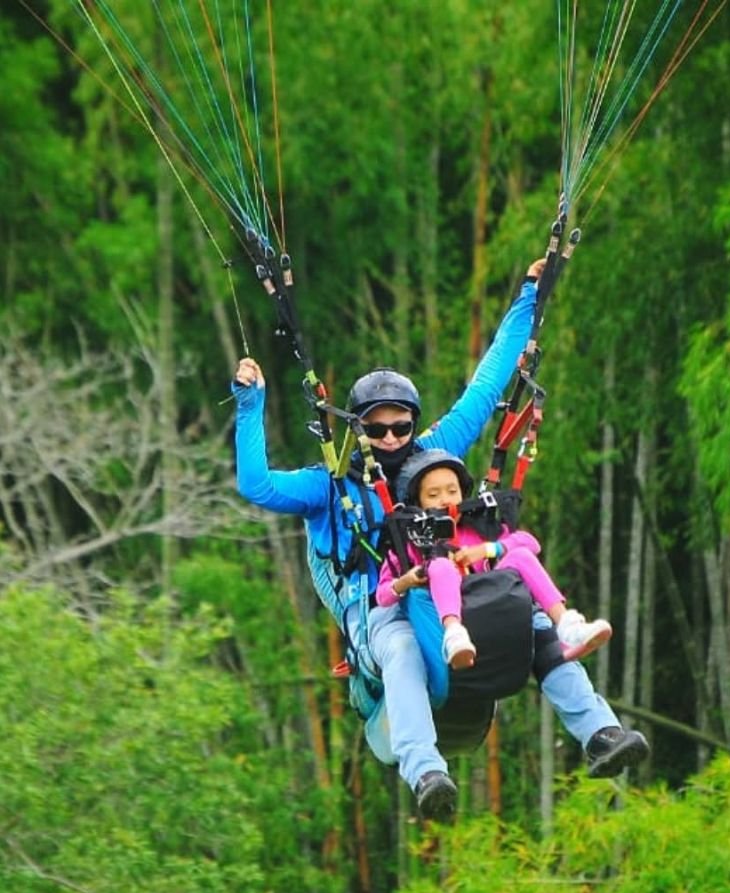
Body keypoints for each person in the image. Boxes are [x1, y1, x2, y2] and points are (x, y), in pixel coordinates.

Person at [234, 261, 649, 821]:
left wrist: (531, 294)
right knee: (401, 648)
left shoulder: (435, 449)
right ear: (357, 429)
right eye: (376, 429)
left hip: (454, 587)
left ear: (413, 425)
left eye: (399, 427)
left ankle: (600, 734)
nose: (389, 439)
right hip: (382, 605)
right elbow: (255, 484)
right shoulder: (327, 486)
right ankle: (427, 771)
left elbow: (488, 382)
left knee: (536, 622)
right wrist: (250, 402)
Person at [377, 449, 612, 670]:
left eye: (452, 491)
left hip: (491, 602)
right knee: (440, 565)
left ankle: (567, 625)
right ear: (418, 504)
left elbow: (531, 543)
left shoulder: (478, 530)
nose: (445, 500)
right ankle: (454, 634)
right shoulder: (411, 544)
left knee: (520, 555)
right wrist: (407, 581)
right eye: (433, 495)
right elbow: (383, 596)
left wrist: (486, 550)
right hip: (445, 618)